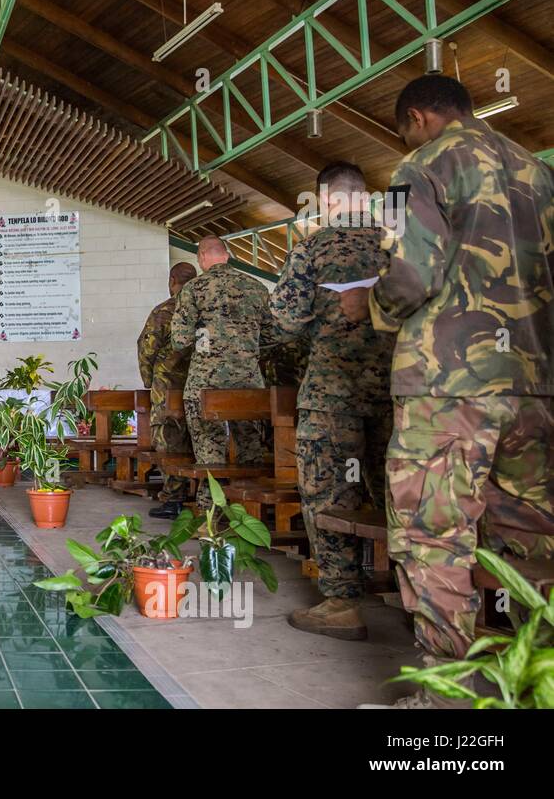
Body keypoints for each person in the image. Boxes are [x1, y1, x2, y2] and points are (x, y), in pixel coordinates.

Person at [339, 75, 554, 705]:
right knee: (535, 536)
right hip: (536, 385)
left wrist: (368, 305)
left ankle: (448, 695)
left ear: (417, 118)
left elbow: (410, 274)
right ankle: (540, 679)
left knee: (433, 532)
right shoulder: (539, 172)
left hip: (448, 385)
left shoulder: (420, 165)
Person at [268, 162, 395, 641]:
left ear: (325, 201)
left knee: (329, 491)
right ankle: (414, 595)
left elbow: (283, 319)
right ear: (365, 197)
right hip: (394, 390)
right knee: (395, 490)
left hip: (331, 394)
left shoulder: (313, 247)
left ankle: (343, 600)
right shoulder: (395, 244)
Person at [170, 236, 275, 510]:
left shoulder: (193, 289)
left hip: (205, 384)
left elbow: (179, 340)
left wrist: (206, 341)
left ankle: (212, 516)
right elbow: (275, 333)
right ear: (226, 255)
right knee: (250, 450)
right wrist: (245, 346)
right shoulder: (257, 287)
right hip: (249, 384)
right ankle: (252, 511)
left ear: (202, 257)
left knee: (209, 454)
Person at [137, 262, 198, 519]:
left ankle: (173, 499)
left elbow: (146, 347)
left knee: (169, 441)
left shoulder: (165, 311)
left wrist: (150, 381)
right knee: (200, 440)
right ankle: (204, 496)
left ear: (172, 280)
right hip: (200, 386)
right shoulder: (204, 308)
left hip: (168, 386)